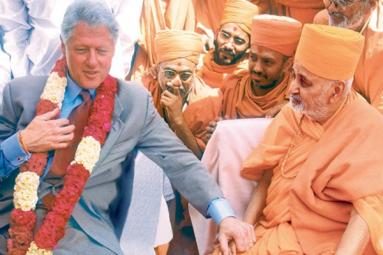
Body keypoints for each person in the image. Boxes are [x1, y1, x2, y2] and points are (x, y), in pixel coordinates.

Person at [0, 1, 255, 255]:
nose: (92, 62)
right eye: (81, 49)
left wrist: (226, 216)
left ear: (114, 50)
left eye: (101, 51)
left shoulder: (134, 104)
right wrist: (21, 143)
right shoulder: (19, 93)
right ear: (63, 47)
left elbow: (180, 161)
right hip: (9, 225)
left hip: (84, 234)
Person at [212, 24, 383, 255]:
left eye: (304, 82)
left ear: (336, 91)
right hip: (274, 229)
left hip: (325, 242)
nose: (291, 89)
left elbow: (366, 213)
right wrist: (245, 229)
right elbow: (268, 175)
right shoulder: (294, 112)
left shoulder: (369, 127)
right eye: (293, 75)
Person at [0, 0, 142, 81]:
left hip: (102, 81)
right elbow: (13, 28)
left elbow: (125, 31)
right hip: (42, 76)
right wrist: (25, 79)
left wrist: (114, 77)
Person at [142, 29, 222, 159]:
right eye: (169, 73)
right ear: (157, 70)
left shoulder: (209, 100)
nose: (176, 82)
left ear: (195, 73)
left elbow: (201, 159)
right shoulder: (143, 90)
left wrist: (178, 119)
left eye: (185, 75)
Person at [221, 14, 302, 119]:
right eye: (253, 58)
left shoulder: (299, 98)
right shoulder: (232, 87)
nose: (257, 68)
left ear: (287, 65)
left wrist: (292, 108)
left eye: (267, 62)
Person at [313, 0, 383, 114]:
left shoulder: (380, 46)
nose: (331, 7)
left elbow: (379, 120)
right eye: (330, 0)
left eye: (343, 2)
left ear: (371, 4)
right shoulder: (324, 21)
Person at [127, 0, 196, 81]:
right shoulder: (144, 2)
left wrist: (166, 65)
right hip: (143, 66)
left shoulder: (186, 3)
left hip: (176, 72)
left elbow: (191, 43)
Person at [198, 0, 259, 90]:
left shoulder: (248, 79)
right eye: (225, 36)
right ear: (217, 33)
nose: (228, 46)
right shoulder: (198, 64)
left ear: (249, 47)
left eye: (238, 41)